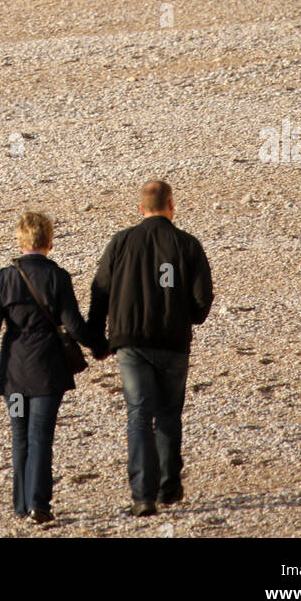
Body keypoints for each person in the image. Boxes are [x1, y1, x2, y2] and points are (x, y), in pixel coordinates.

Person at [89, 179, 214, 515]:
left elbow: (99, 291)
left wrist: (97, 340)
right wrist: (186, 316)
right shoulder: (188, 244)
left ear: (141, 209)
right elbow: (203, 300)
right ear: (171, 204)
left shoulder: (121, 242)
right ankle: (168, 487)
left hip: (131, 344)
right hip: (173, 343)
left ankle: (143, 495)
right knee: (169, 415)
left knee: (139, 414)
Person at [0, 210, 98, 524]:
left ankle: (20, 505)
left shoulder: (6, 277)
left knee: (20, 436)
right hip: (48, 373)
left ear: (20, 240)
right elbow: (76, 326)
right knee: (41, 436)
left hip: (14, 375)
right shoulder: (58, 277)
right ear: (49, 242)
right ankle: (39, 505)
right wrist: (102, 346)